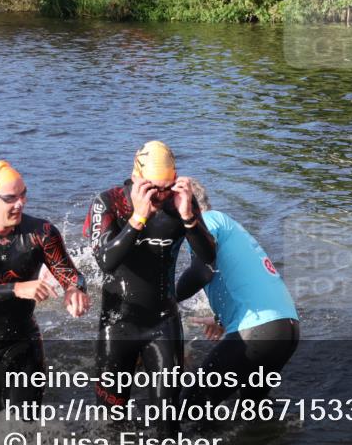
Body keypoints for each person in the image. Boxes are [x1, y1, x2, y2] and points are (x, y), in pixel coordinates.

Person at [0, 160, 90, 413]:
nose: (20, 203)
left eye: (23, 195)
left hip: (22, 343)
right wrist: (15, 289)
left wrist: (75, 290)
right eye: (11, 198)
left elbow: (71, 276)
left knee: (24, 434)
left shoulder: (41, 232)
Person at [86, 141, 216, 426]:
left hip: (163, 323)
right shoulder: (108, 202)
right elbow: (105, 260)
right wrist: (137, 219)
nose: (160, 195)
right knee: (109, 424)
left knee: (168, 423)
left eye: (166, 187)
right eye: (153, 187)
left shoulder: (181, 202)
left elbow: (208, 257)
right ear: (136, 177)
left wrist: (189, 218)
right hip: (117, 324)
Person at [176, 179, 299, 408]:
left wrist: (164, 299)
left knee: (190, 408)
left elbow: (202, 272)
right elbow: (244, 279)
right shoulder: (229, 224)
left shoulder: (208, 222)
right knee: (249, 413)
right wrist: (221, 318)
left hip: (260, 331)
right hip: (287, 328)